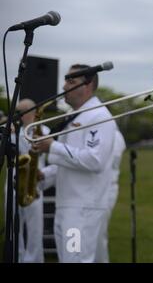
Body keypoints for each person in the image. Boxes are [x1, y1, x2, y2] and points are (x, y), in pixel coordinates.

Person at [33, 64, 117, 263]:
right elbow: (68, 162)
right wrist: (44, 175)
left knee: (75, 260)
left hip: (82, 208)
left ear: (87, 86)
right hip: (68, 205)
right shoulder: (74, 117)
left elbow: (94, 160)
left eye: (71, 81)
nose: (64, 86)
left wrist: (52, 146)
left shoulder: (99, 116)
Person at [7, 99, 48, 262]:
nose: (18, 115)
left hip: (33, 183)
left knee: (35, 229)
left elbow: (37, 151)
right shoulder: (12, 131)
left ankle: (34, 259)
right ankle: (17, 257)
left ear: (31, 112)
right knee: (12, 226)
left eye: (21, 112)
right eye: (17, 112)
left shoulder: (43, 129)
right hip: (13, 182)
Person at [95, 129, 126, 263]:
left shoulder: (114, 134)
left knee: (98, 233)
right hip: (92, 188)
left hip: (106, 187)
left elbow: (101, 162)